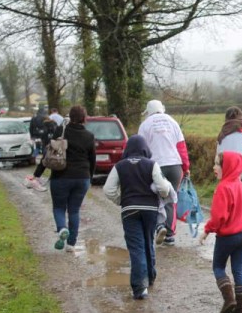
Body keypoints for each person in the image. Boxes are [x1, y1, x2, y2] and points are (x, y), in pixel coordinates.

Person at [103, 135, 172, 300]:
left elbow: (108, 189)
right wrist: (161, 196)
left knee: (136, 247)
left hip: (130, 210)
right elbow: (163, 188)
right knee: (148, 242)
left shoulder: (120, 166)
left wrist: (121, 200)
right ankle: (150, 276)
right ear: (145, 149)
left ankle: (140, 287)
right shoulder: (151, 164)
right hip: (150, 210)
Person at [198, 151, 242, 313]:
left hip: (227, 237)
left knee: (218, 267)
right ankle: (241, 310)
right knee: (238, 269)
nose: (214, 167)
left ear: (228, 167)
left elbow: (218, 218)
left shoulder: (223, 188)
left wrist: (207, 230)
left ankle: (229, 299)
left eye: (217, 164)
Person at [138, 100, 190, 246]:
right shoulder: (173, 122)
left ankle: (159, 226)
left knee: (154, 197)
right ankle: (170, 234)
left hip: (154, 166)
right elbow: (181, 147)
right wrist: (185, 167)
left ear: (148, 111)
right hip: (174, 165)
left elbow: (141, 149)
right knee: (171, 199)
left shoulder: (145, 125)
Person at [50, 105, 96, 253]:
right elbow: (92, 159)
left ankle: (62, 229)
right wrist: (90, 176)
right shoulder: (89, 136)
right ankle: (71, 244)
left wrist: (38, 173)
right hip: (82, 177)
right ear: (84, 118)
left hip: (60, 176)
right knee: (74, 211)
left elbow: (49, 152)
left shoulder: (60, 131)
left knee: (58, 207)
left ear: (70, 116)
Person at [24, 115, 58, 191]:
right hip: (56, 147)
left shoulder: (43, 127)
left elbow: (42, 136)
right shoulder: (55, 125)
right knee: (54, 162)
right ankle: (49, 178)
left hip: (47, 146)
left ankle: (35, 178)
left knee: (43, 162)